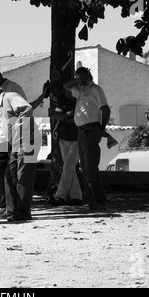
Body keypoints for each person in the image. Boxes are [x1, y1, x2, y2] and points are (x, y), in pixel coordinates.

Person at [0, 65, 48, 212]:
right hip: (3, 138)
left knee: (22, 176)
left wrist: (19, 128)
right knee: (6, 174)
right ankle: (9, 208)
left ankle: (20, 210)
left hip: (22, 138)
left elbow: (26, 108)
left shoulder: (11, 91)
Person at [63, 67, 111, 210]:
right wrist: (77, 80)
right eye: (77, 78)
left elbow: (105, 109)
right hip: (82, 131)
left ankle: (99, 199)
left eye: (81, 77)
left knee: (90, 167)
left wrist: (101, 128)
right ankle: (92, 200)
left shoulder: (96, 89)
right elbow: (65, 86)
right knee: (84, 168)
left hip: (91, 129)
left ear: (87, 76)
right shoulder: (81, 91)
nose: (79, 81)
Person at [51, 95, 82, 206]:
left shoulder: (81, 101)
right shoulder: (61, 102)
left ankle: (60, 195)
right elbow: (54, 115)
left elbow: (78, 118)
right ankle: (76, 196)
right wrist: (69, 115)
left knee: (68, 167)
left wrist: (63, 116)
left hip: (76, 140)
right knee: (70, 168)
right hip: (63, 138)